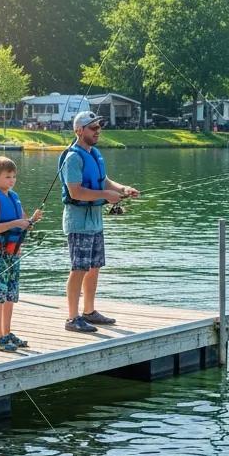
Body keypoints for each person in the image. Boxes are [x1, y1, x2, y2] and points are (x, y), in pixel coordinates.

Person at [58, 110, 139, 334]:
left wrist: (122, 189)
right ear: (79, 130)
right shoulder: (73, 158)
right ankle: (72, 318)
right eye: (93, 128)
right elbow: (75, 192)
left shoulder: (94, 153)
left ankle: (89, 312)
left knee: (94, 268)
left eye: (99, 127)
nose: (98, 131)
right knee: (79, 268)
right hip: (78, 222)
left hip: (95, 222)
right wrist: (106, 196)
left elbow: (103, 180)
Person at [0, 157, 41, 352]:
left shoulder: (14, 197)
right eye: (7, 177)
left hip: (15, 252)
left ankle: (7, 333)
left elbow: (23, 223)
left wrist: (32, 220)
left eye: (14, 176)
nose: (11, 180)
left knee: (10, 294)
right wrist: (17, 223)